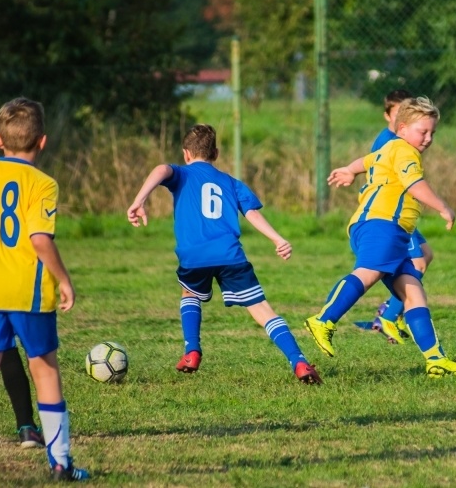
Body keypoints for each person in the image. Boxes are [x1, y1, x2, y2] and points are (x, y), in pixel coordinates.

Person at [127, 124, 322, 384]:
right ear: (216, 154)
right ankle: (298, 361)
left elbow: (162, 169)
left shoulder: (182, 174)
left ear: (186, 154)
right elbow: (252, 213)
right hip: (230, 255)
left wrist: (139, 199)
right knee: (262, 309)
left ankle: (191, 351)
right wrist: (277, 238)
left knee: (190, 293)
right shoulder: (231, 183)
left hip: (193, 256)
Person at [305, 96, 456, 378]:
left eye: (433, 132)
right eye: (423, 131)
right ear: (403, 128)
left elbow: (367, 160)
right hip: (382, 224)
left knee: (412, 292)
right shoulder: (405, 151)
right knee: (369, 272)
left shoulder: (391, 148)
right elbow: (414, 184)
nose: (429, 138)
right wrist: (443, 207)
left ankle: (435, 359)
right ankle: (323, 319)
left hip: (386, 229)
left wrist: (349, 169)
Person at [0, 97, 89, 481]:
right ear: (42, 142)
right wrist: (64, 280)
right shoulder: (43, 183)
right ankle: (60, 463)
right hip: (26, 292)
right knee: (45, 372)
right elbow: (40, 240)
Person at [0, 99, 45, 449]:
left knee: (0, 350)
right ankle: (27, 427)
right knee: (1, 353)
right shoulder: (2, 173)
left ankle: (26, 426)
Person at [367, 89, 436, 346]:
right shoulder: (389, 142)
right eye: (397, 113)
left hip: (400, 214)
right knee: (414, 264)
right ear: (388, 115)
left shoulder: (402, 141)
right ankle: (389, 315)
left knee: (425, 255)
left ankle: (392, 311)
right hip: (390, 216)